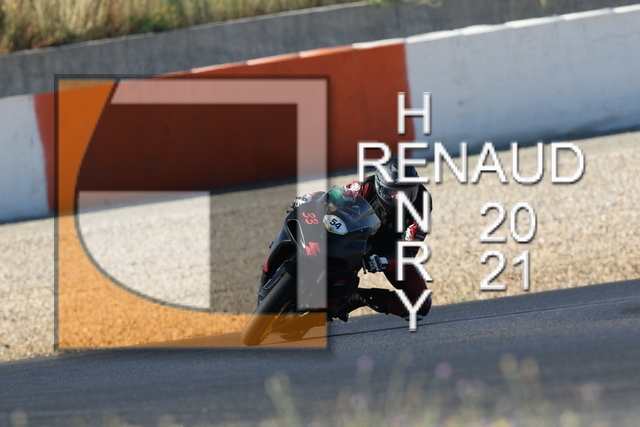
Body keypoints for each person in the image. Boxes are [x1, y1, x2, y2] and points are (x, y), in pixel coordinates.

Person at [288, 157, 433, 323]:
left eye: (406, 192)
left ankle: (357, 298)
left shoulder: (422, 202)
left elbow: (409, 252)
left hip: (389, 252)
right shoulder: (367, 185)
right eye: (393, 192)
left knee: (421, 304)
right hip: (355, 238)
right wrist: (310, 199)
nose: (399, 198)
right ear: (381, 187)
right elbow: (335, 195)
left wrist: (384, 261)